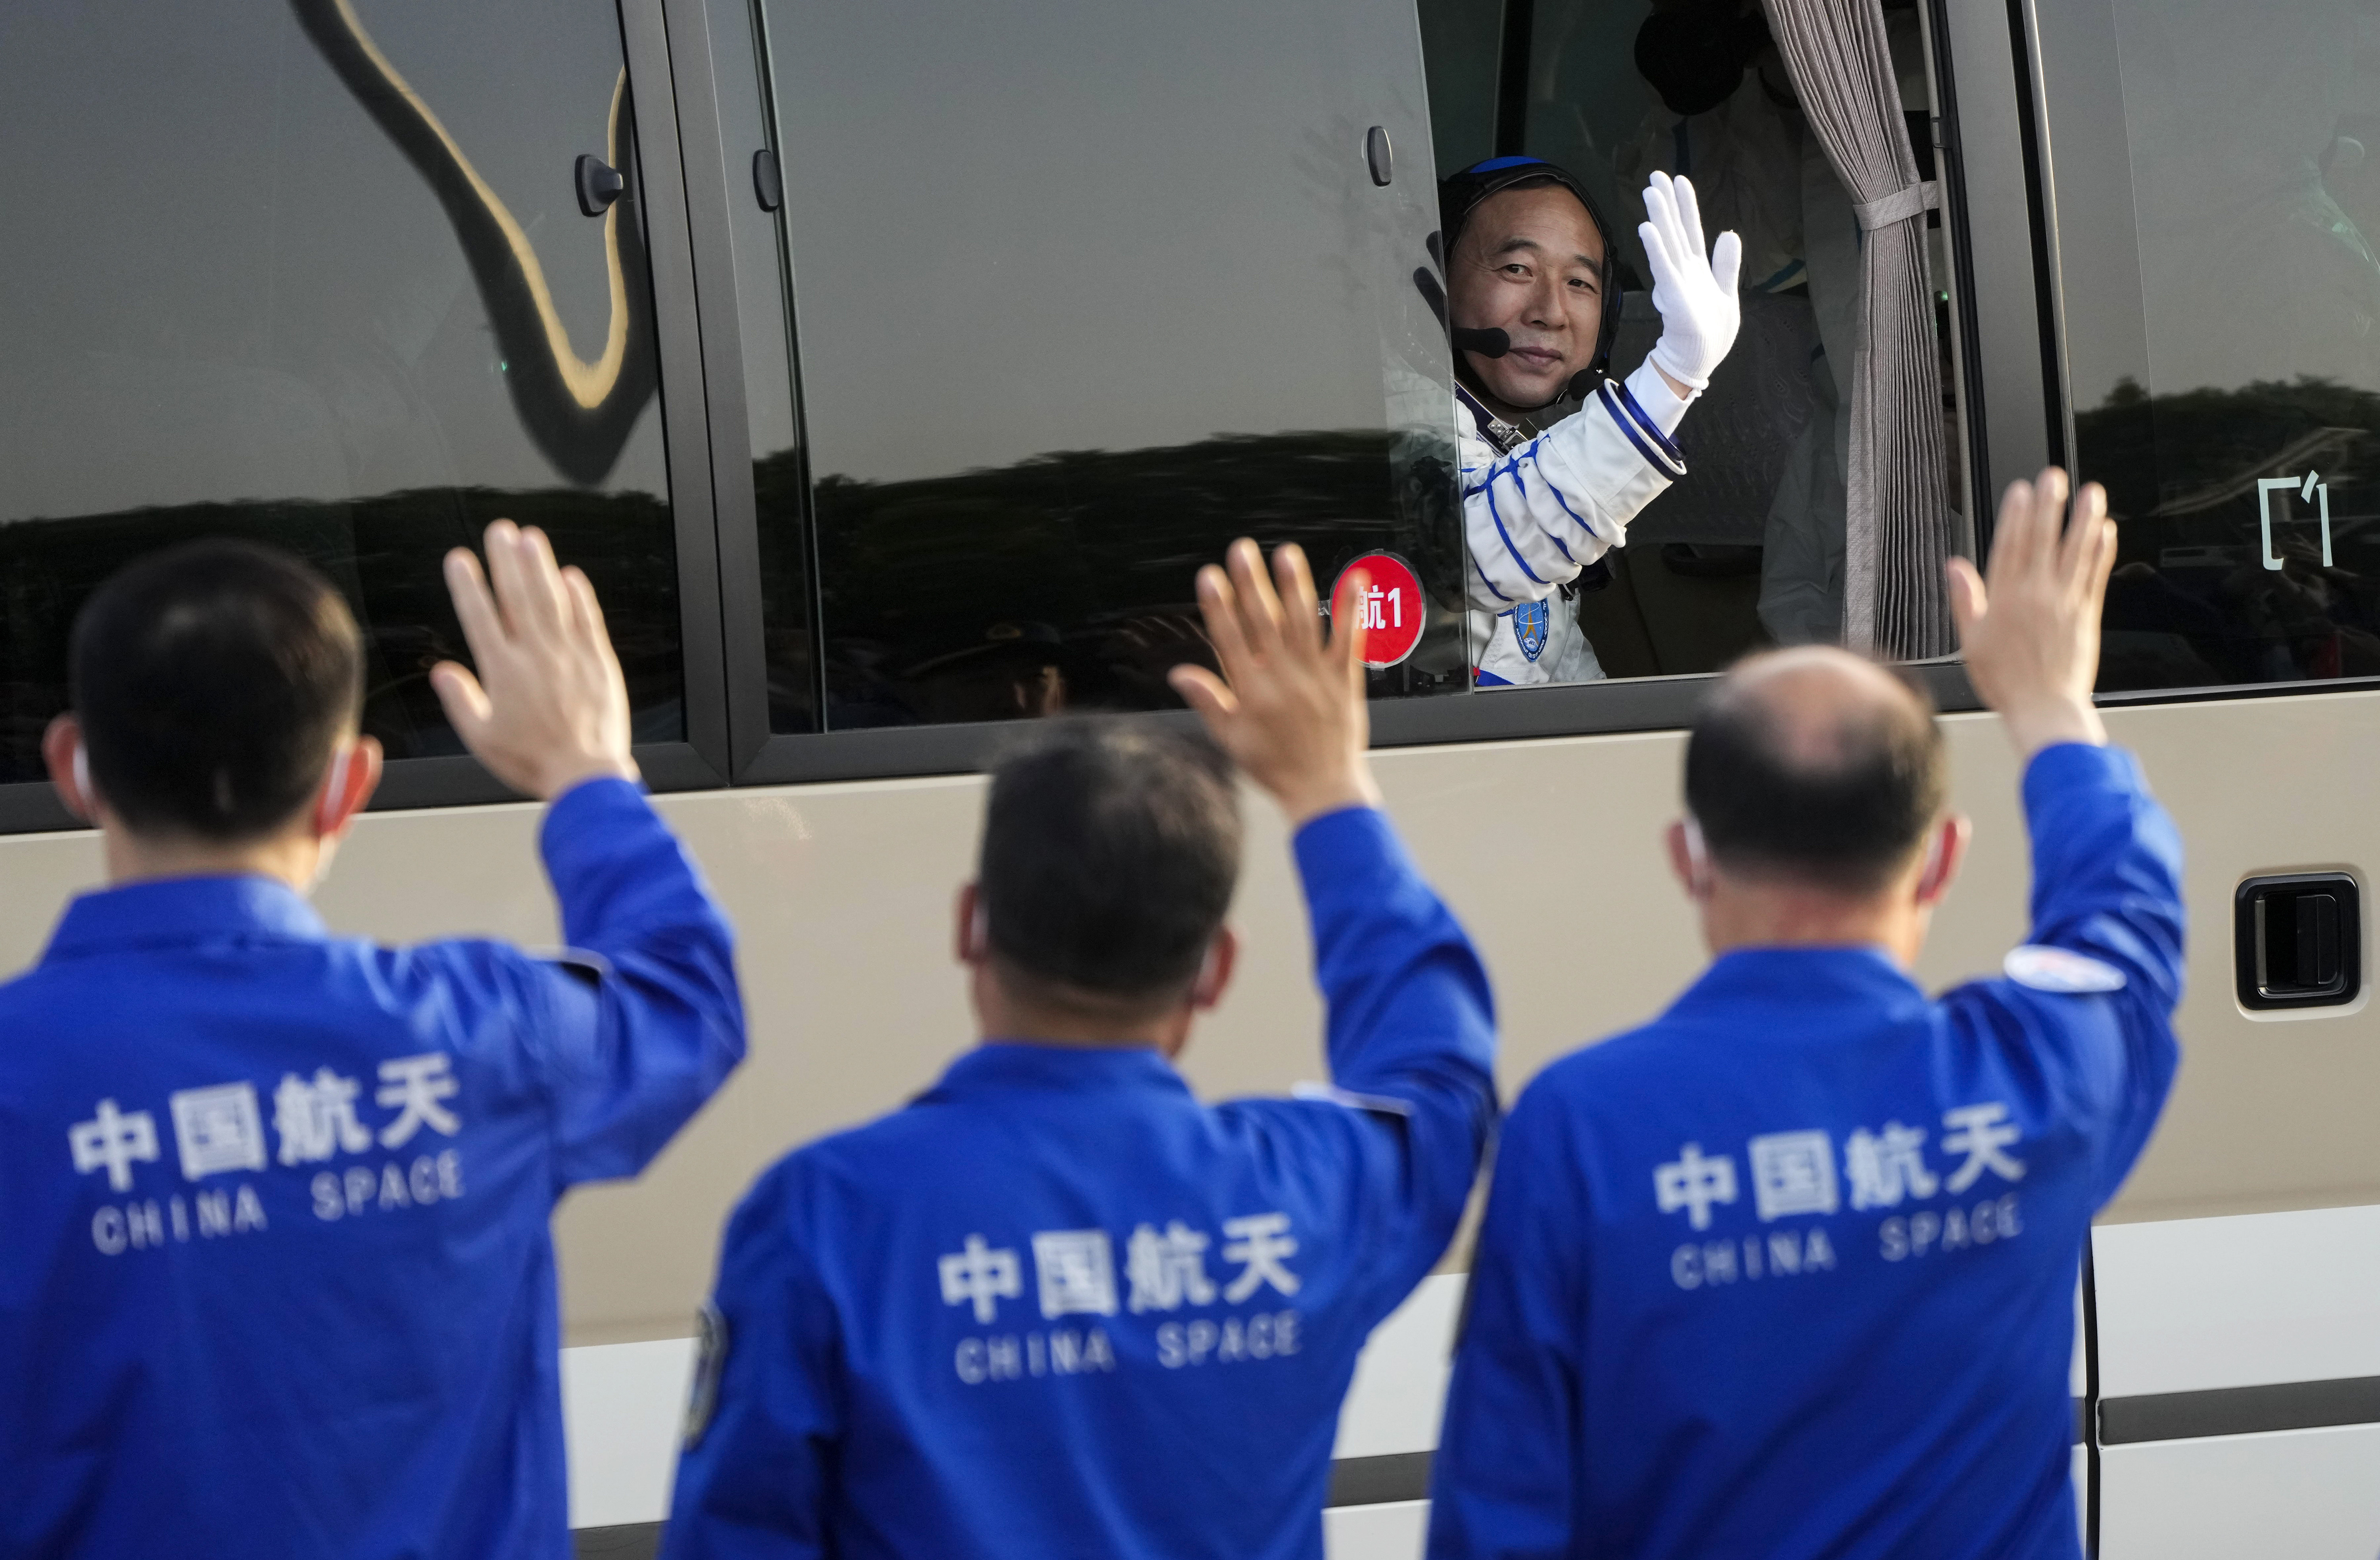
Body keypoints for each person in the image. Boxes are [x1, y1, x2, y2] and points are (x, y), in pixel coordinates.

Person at [665, 540, 1497, 1559]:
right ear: (1216, 968)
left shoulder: (822, 1214)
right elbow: (1443, 1077)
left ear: (973, 926)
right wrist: (1331, 792)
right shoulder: (1307, 1191)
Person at [1428, 469, 2184, 1559]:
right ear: (1941, 863)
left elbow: (1499, 1513)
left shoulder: (1578, 1127)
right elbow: (2130, 927)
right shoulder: (2032, 1081)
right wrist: (2055, 708)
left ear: (1688, 860)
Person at [0, 527, 745, 1558]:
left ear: (74, 771)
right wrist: (589, 775)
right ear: (348, 786)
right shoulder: (486, 1033)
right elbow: (687, 993)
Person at [1443, 158, 1743, 684]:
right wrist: (1670, 378)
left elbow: (1572, 698)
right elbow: (1471, 549)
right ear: (1440, 280)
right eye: (1517, 269)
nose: (1551, 312)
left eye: (1580, 283)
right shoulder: (1384, 431)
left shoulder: (1517, 452)